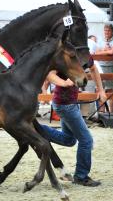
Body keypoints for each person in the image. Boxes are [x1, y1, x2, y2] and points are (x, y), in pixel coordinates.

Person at [40, 58, 107, 187]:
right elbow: (50, 74)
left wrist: (101, 90)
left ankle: (38, 129)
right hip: (65, 105)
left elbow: (93, 69)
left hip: (69, 103)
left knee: (69, 140)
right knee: (86, 141)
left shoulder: (83, 55)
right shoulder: (64, 55)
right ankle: (81, 177)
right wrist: (64, 83)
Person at [95, 23, 113, 112]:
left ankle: (111, 111)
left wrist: (103, 50)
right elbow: (96, 52)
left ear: (112, 31)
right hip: (100, 67)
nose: (106, 32)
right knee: (100, 89)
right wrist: (105, 50)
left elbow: (112, 52)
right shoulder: (100, 40)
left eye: (108, 30)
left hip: (111, 67)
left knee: (110, 89)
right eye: (105, 30)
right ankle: (101, 112)